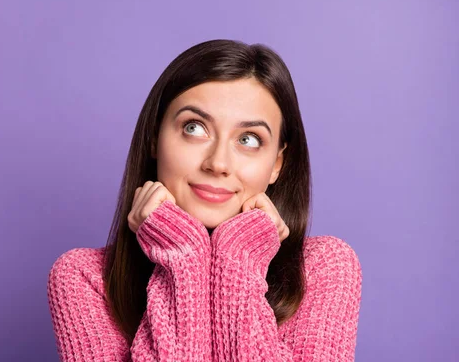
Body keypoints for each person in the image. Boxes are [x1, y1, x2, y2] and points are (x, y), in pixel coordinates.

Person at [47, 39, 362, 361]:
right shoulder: (84, 278)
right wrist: (182, 257)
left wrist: (238, 257)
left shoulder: (323, 269)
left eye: (249, 139)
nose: (218, 163)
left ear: (277, 164)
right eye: (194, 128)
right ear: (155, 139)